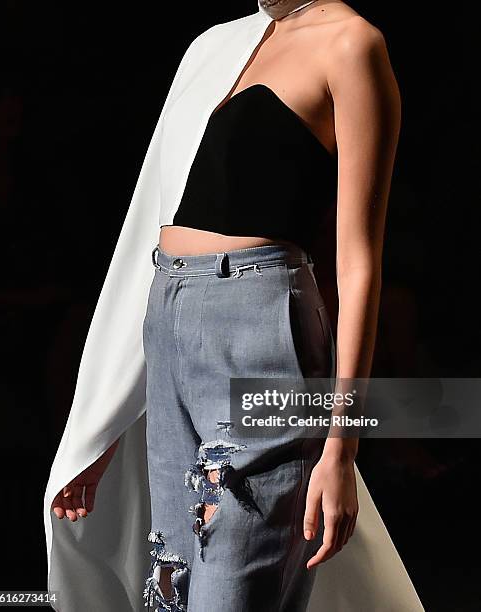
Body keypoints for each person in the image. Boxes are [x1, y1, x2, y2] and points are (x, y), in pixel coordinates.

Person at [44, 1, 425, 610]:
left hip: (260, 323)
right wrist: (100, 432)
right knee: (171, 585)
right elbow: (146, 224)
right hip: (166, 310)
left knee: (232, 589)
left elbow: (357, 264)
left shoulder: (352, 44)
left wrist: (341, 447)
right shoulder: (213, 46)